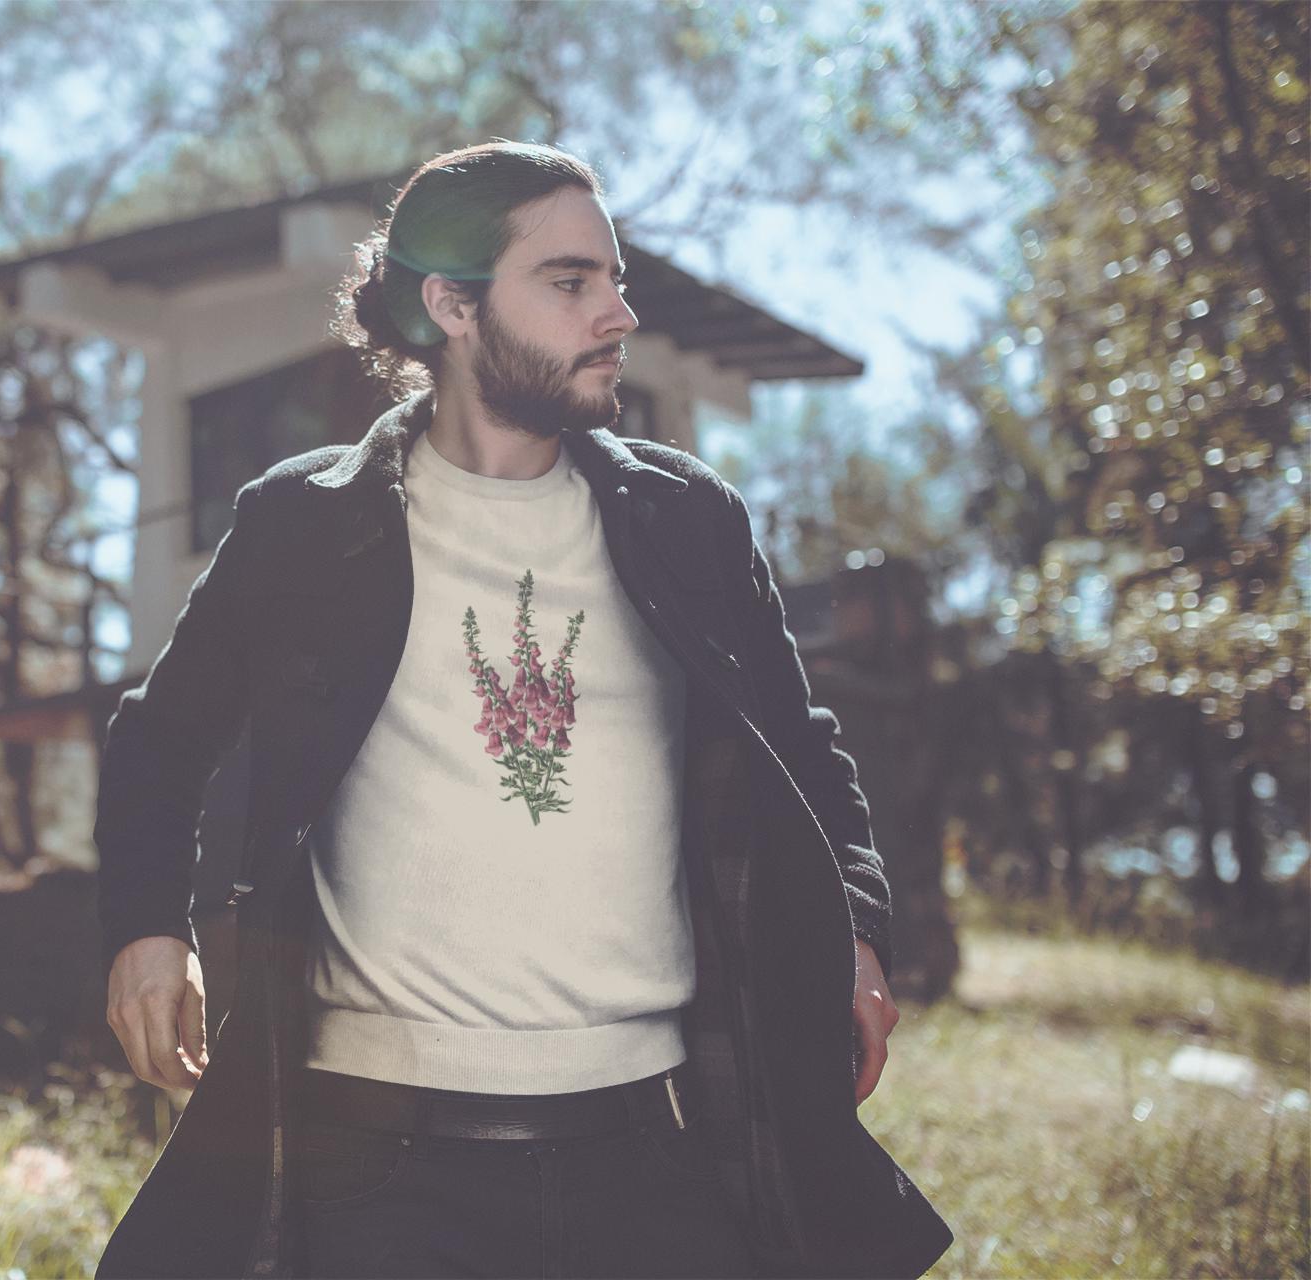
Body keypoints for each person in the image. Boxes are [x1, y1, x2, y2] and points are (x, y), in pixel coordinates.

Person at [93, 140, 954, 1279]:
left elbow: (802, 749)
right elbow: (161, 741)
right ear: (449, 303)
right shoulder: (303, 524)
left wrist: (856, 930)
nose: (619, 313)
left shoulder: (686, 518)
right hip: (377, 1167)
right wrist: (146, 928)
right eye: (570, 282)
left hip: (661, 1147)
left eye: (615, 277)